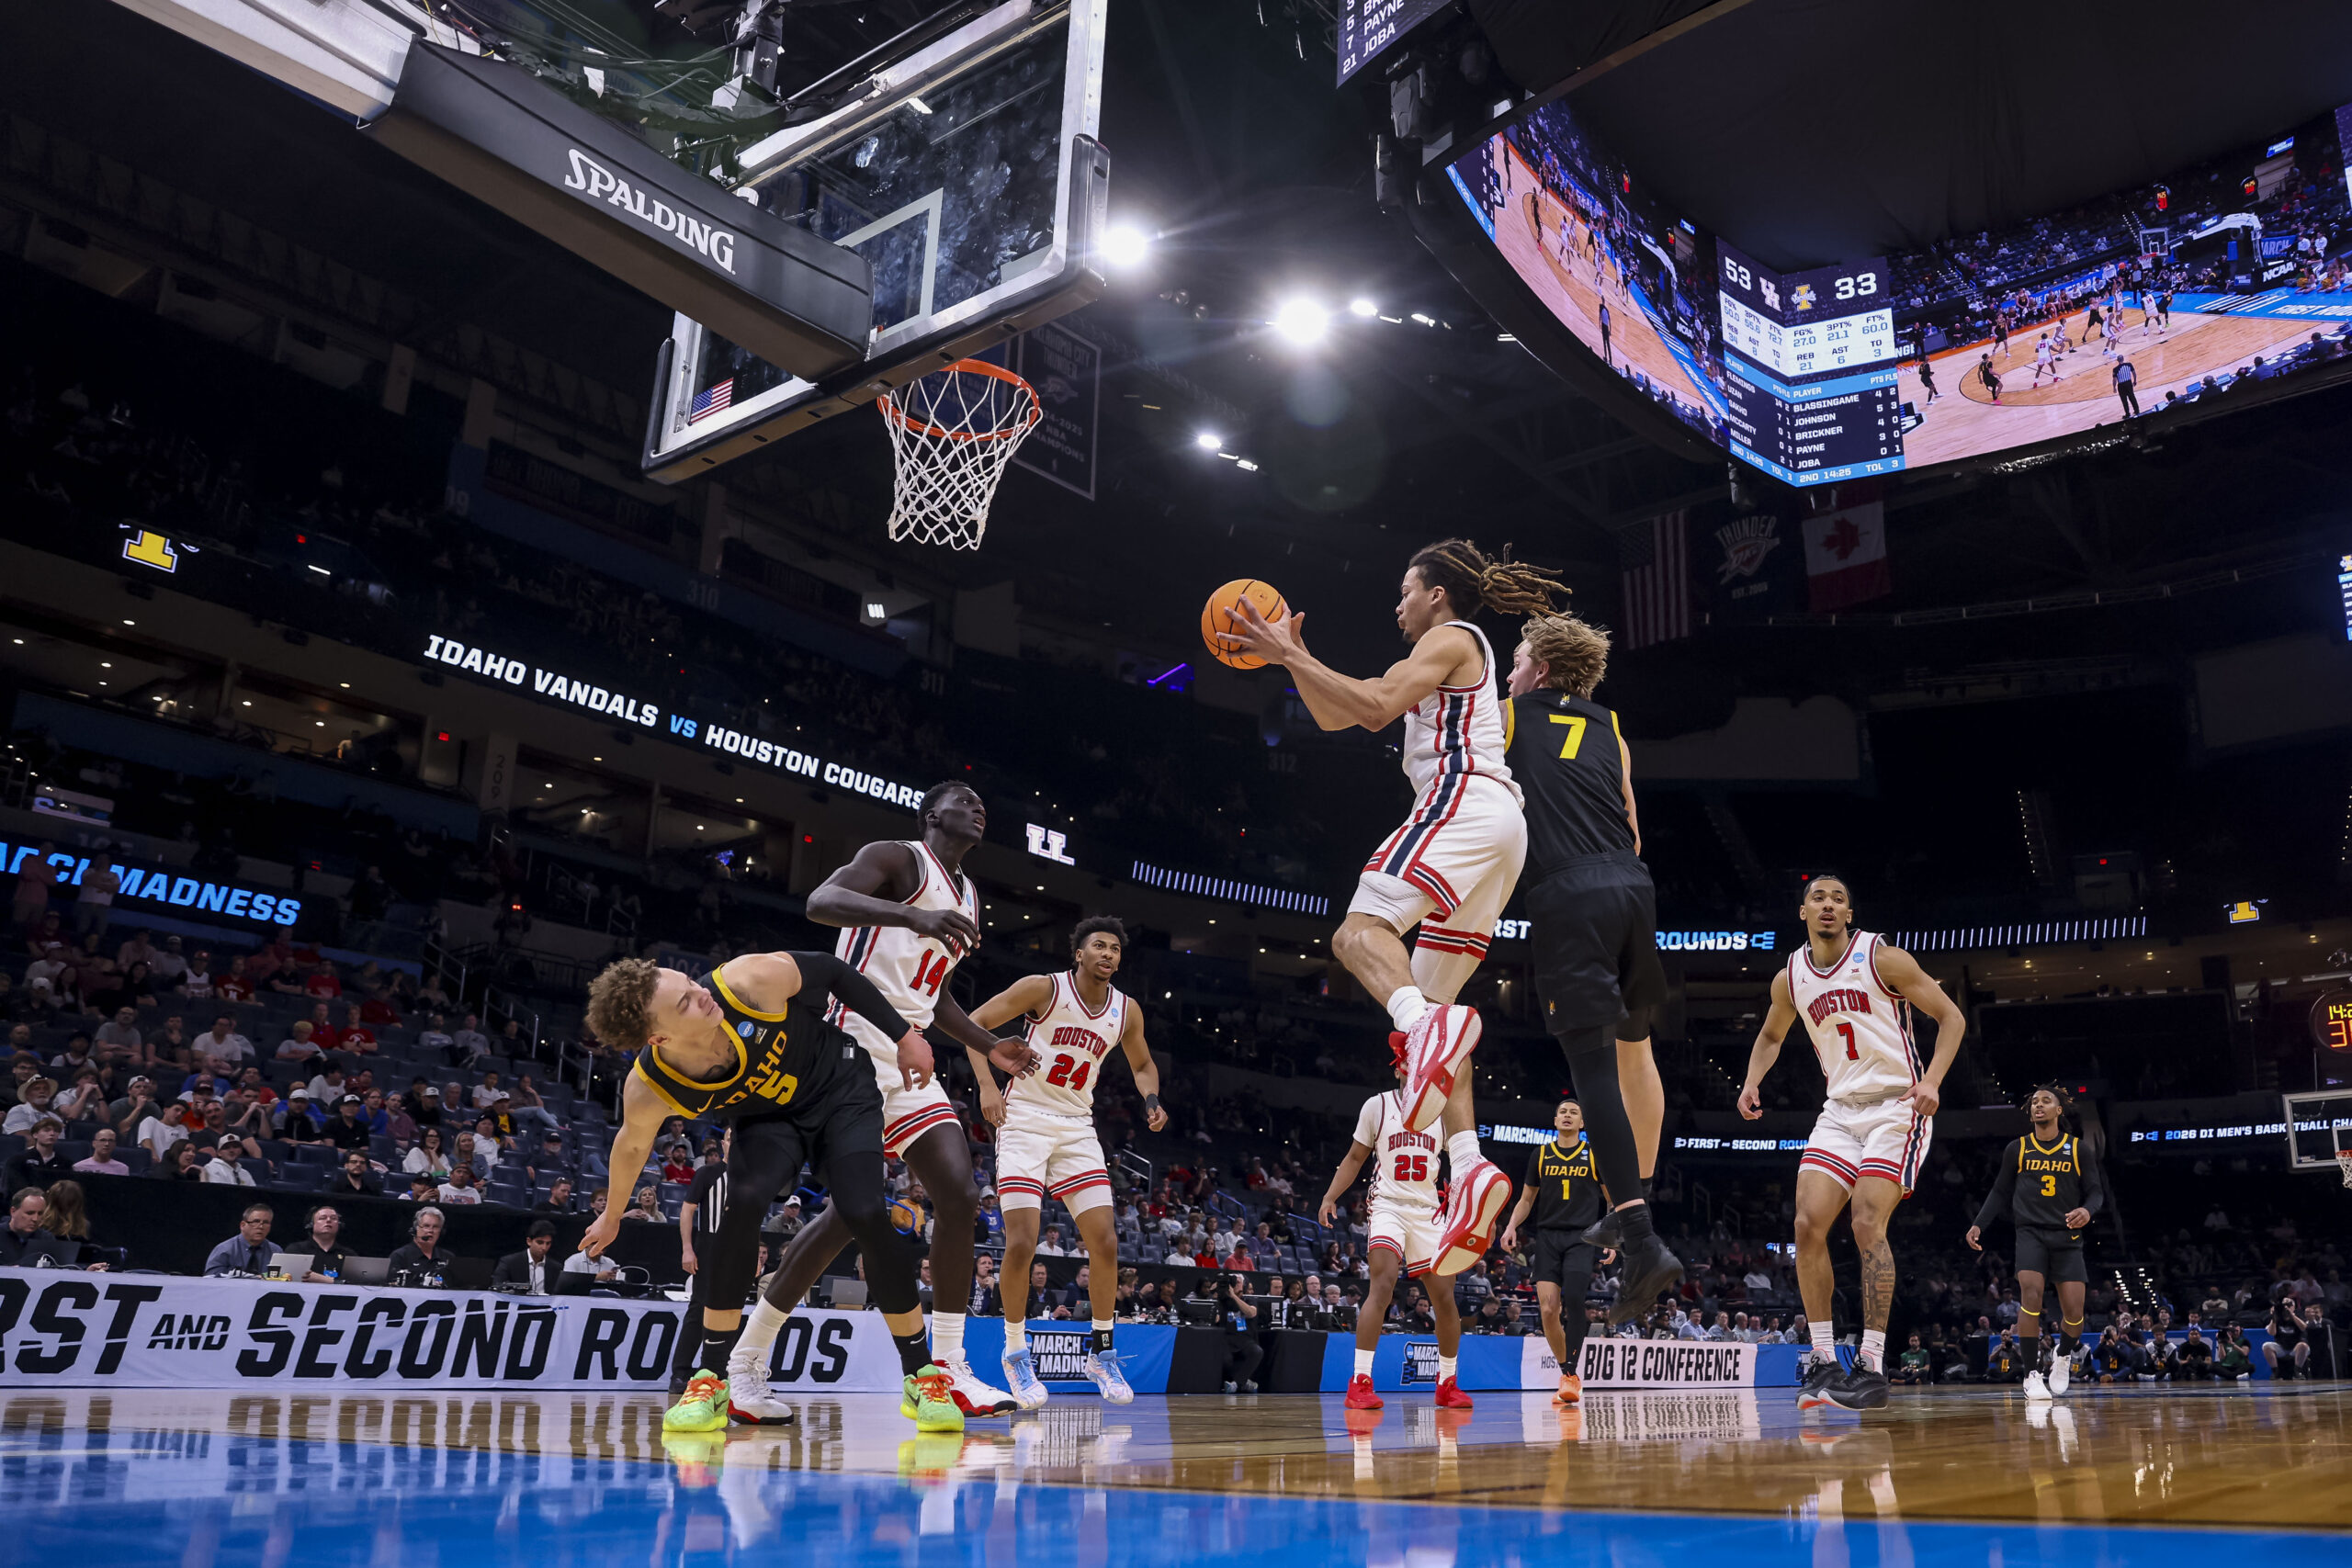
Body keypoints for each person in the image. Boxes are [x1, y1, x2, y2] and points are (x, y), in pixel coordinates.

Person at [1224, 541, 1570, 1274]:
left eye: (1405, 590)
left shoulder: (1451, 638)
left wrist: (1292, 651)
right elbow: (1339, 712)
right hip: (1500, 835)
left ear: (1438, 593)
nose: (1397, 604)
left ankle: (1426, 1031)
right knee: (1433, 1024)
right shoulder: (1432, 660)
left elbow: (1375, 709)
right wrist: (1292, 656)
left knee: (1358, 933)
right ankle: (1472, 1164)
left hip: (1466, 801)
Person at [580, 946, 969, 1437]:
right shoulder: (650, 1087)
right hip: (768, 1119)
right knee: (741, 1202)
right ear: (658, 1038)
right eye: (685, 1004)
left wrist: (904, 1036)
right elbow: (631, 1145)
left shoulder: (747, 981)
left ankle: (920, 1376)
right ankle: (712, 1380)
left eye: (689, 984)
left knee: (864, 1210)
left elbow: (833, 972)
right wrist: (613, 1214)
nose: (701, 994)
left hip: (839, 1087)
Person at [747, 787, 1036, 1420]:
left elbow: (936, 996)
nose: (980, 807)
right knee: (851, 1215)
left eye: (985, 802)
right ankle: (747, 1361)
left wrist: (990, 1046)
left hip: (909, 1052)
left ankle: (951, 1364)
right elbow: (821, 901)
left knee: (959, 1194)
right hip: (848, 1042)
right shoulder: (897, 858)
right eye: (965, 800)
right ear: (934, 815)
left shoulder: (968, 895)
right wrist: (912, 917)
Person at [1502, 610, 1679, 1314]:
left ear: (1540, 671)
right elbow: (1633, 828)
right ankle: (1637, 1200)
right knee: (1638, 1053)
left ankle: (1638, 1232)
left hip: (1569, 893)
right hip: (1634, 889)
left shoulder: (1511, 715)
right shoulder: (1611, 728)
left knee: (1592, 1070)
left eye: (1518, 660)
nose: (1512, 670)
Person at [1736, 874, 1967, 1411]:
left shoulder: (1882, 959)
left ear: (1848, 913)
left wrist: (1931, 1080)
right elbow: (1771, 1035)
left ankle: (1870, 1361)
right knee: (1806, 1224)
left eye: (1839, 898)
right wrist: (1751, 1081)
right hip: (1839, 1111)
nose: (1828, 905)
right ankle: (1820, 1360)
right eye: (1818, 897)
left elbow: (1951, 1018)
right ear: (1802, 911)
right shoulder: (1790, 975)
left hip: (1896, 1105)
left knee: (1865, 1220)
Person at [965, 917, 1167, 1407]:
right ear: (1078, 953)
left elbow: (1141, 1064)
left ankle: (1101, 1353)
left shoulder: (1126, 1011)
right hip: (1025, 1119)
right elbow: (974, 1025)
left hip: (1077, 1126)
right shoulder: (1044, 989)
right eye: (1099, 945)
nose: (1108, 954)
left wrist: (1151, 1098)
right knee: (1022, 1241)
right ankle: (1015, 1352)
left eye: (1116, 949)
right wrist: (988, 1088)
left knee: (1105, 1241)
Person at [1320, 1043, 1472, 1413]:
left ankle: (1447, 1383)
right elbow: (1355, 1157)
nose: (1415, 1071)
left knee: (1445, 1299)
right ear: (1399, 1070)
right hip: (1388, 1205)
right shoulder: (1377, 1105)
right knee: (1383, 1283)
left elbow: (1466, 1163)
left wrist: (1475, 1208)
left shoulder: (1444, 1113)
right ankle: (1359, 1381)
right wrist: (1329, 1197)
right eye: (1409, 1065)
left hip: (1429, 1211)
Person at [1967, 1085, 2105, 1400]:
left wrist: (2087, 1209)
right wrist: (1979, 1224)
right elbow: (2000, 1191)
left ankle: (2063, 1354)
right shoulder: (2017, 1148)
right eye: (2034, 1102)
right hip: (2030, 1233)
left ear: (2059, 1110)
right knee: (2031, 1295)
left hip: (2067, 1236)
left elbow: (2096, 1191)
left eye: (2046, 1101)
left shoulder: (2077, 1149)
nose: (2038, 1105)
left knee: (2074, 1315)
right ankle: (2031, 1373)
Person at [1498, 1098, 1607, 1405]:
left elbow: (1612, 1201)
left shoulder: (1594, 1155)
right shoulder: (1541, 1154)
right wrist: (1510, 1227)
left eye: (1574, 1112)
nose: (1568, 1116)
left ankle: (1570, 1372)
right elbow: (1526, 1199)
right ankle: (1567, 1374)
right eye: (1563, 1112)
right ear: (1555, 1120)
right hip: (1547, 1237)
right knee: (1547, 1310)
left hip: (1582, 1237)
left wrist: (1613, 1238)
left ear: (1582, 1123)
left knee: (1573, 1298)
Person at [670, 1130, 731, 1389]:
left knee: (730, 1312)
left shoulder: (753, 1178)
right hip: (709, 1244)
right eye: (731, 1137)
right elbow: (687, 1211)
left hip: (737, 1247)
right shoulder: (708, 1173)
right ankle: (681, 1372)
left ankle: (718, 1372)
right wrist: (687, 1248)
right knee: (699, 1308)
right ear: (724, 1143)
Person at [1, 1186, 73, 1267]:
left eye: (40, 1214)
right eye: (30, 1213)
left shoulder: (46, 1239)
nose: (35, 1219)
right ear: (13, 1211)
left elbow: (60, 1271)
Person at [387, 1205, 455, 1286]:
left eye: (435, 1227)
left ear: (441, 1231)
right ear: (416, 1229)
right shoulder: (399, 1256)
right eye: (426, 1226)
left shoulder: (448, 1257)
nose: (430, 1231)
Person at [205, 1203, 279, 1276]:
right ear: (243, 1225)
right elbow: (211, 1278)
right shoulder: (224, 1250)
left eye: (266, 1222)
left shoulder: (276, 1251)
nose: (261, 1226)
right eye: (256, 1221)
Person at [494, 1220, 558, 1295]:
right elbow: (497, 1287)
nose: (544, 1247)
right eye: (540, 1242)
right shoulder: (509, 1262)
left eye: (548, 1243)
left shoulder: (555, 1267)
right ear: (529, 1241)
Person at [300, 1204, 358, 1280]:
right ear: (311, 1224)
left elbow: (356, 1282)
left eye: (334, 1218)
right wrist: (338, 1282)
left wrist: (323, 1280)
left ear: (339, 1225)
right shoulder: (297, 1249)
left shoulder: (349, 1255)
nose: (328, 1220)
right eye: (322, 1218)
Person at [2267, 1296, 2312, 1380]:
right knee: (2266, 1346)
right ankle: (2275, 1372)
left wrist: (2291, 1314)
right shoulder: (2278, 1317)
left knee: (2303, 1345)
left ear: (2293, 1307)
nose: (2286, 1307)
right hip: (2282, 1348)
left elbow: (2303, 1327)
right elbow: (2271, 1333)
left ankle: (2297, 1372)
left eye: (2289, 1305)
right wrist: (2273, 1319)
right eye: (2284, 1305)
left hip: (2296, 1348)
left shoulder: (2298, 1315)